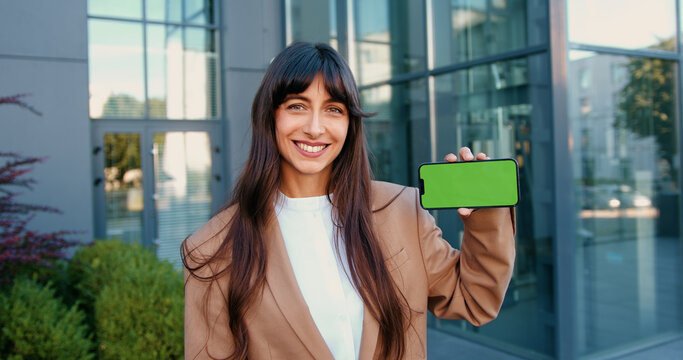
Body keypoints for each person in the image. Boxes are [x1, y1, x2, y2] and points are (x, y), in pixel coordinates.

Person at [182, 42, 515, 360]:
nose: (315, 128)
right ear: (271, 115)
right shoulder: (212, 250)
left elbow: (475, 299)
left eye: (333, 110)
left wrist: (484, 217)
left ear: (350, 123)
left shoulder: (402, 211)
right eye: (297, 106)